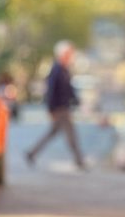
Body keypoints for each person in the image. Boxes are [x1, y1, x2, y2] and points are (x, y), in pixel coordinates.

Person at [26, 40, 87, 170]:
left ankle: (32, 153)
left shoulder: (64, 69)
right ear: (62, 53)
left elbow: (69, 89)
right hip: (60, 109)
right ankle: (79, 160)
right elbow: (51, 90)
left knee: (52, 133)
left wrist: (76, 100)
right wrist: (51, 109)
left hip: (64, 107)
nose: (71, 55)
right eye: (69, 53)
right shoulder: (56, 69)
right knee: (71, 135)